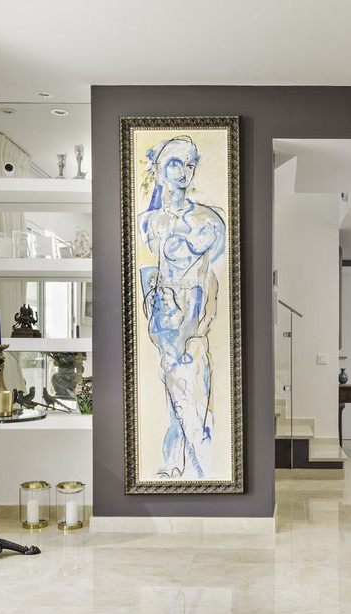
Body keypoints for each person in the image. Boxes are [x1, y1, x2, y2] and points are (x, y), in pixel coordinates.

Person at [138, 136, 226, 479]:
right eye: (175, 163)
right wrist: (157, 324)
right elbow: (148, 276)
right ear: (159, 168)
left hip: (195, 321)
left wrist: (203, 325)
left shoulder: (209, 220)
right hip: (166, 321)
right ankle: (175, 467)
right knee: (174, 398)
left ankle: (200, 470)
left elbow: (215, 278)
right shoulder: (148, 222)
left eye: (190, 164)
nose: (183, 172)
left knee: (196, 400)